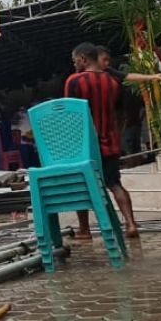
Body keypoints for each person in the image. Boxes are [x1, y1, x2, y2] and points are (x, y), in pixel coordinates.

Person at [65, 43, 140, 239]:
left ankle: (84, 230)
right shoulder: (113, 82)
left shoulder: (73, 81)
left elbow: (69, 114)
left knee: (81, 187)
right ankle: (131, 224)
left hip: (84, 146)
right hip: (110, 143)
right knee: (114, 183)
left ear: (82, 59)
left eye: (75, 61)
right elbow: (119, 112)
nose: (74, 65)